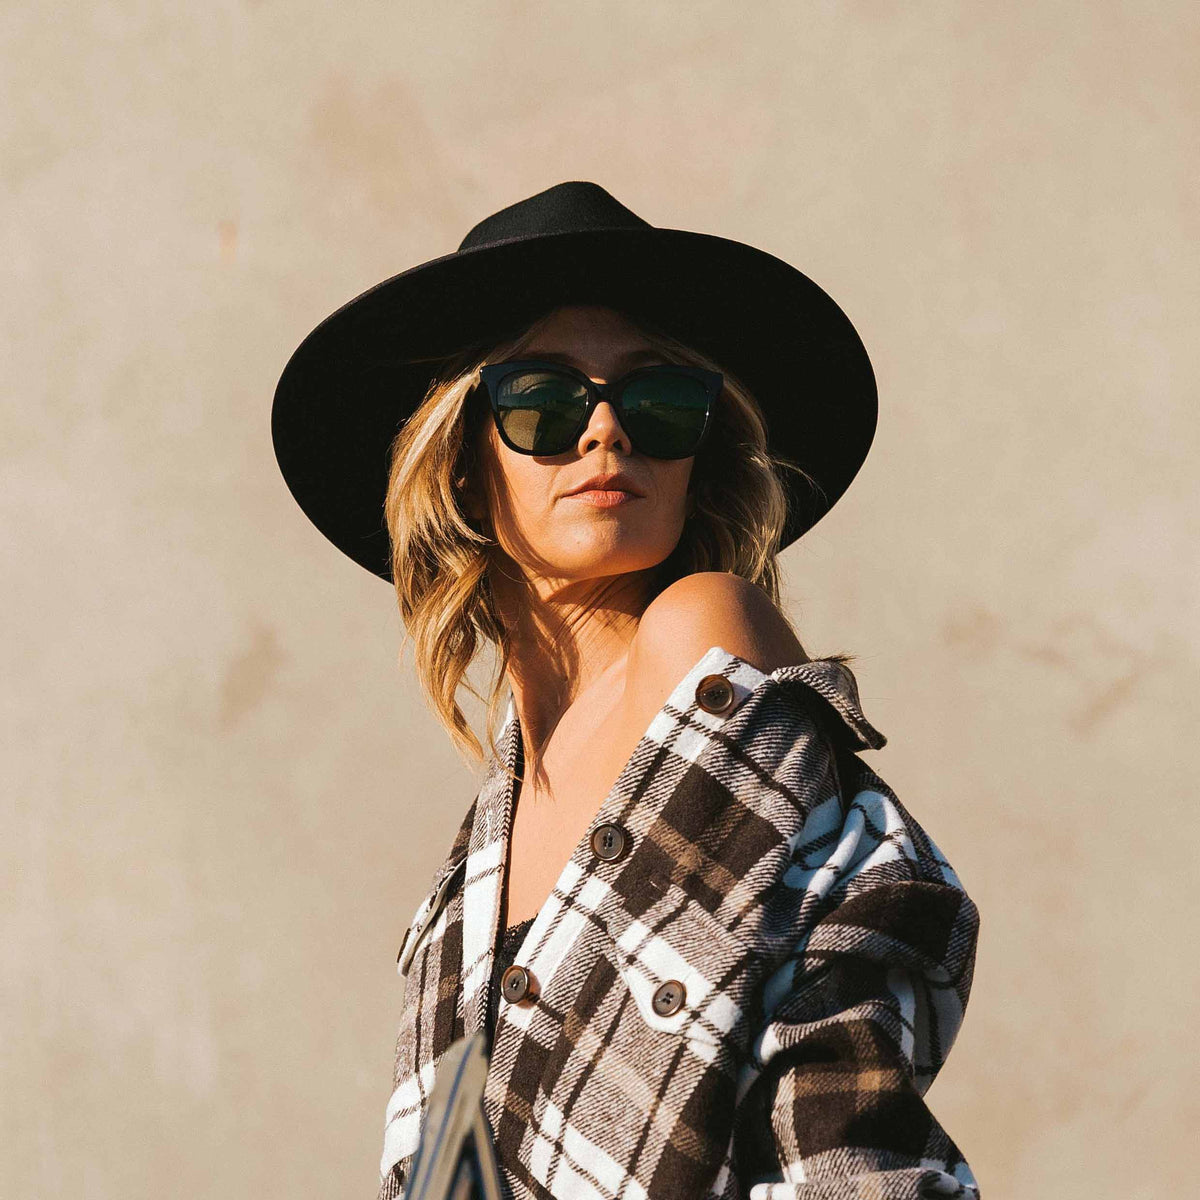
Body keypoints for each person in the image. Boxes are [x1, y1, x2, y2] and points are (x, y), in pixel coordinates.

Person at [272, 182, 981, 1200]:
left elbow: (829, 1072)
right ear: (463, 463)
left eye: (656, 403)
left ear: (700, 453)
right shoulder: (466, 876)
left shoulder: (702, 635)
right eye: (544, 404)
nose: (606, 434)